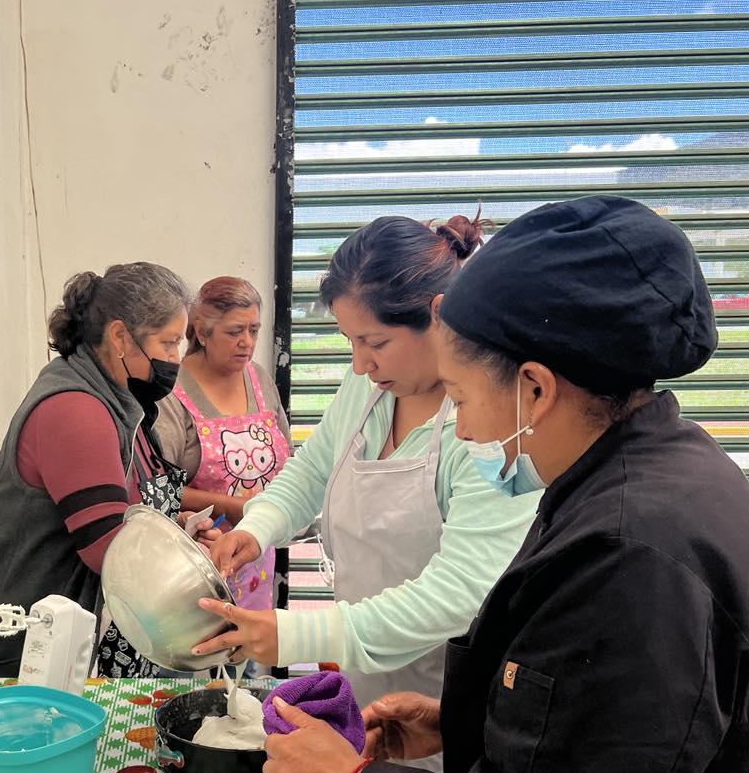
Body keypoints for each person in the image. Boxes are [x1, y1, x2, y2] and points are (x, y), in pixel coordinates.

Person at [263, 196, 749, 773]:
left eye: (459, 395)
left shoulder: (636, 552)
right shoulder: (639, 477)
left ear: (535, 387)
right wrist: (468, 718)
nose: (466, 430)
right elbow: (606, 740)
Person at [196, 215, 540, 709]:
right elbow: (314, 467)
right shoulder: (369, 388)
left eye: (376, 343)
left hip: (446, 694)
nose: (360, 363)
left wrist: (302, 634)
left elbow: (462, 590)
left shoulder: (489, 427)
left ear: (440, 317)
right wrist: (258, 528)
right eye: (350, 341)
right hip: (362, 665)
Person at [0, 263, 192, 678]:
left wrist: (183, 532)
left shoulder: (113, 396)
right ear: (120, 336)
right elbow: (111, 552)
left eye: (180, 344)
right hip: (30, 641)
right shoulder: (76, 410)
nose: (176, 359)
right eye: (168, 342)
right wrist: (190, 564)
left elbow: (122, 505)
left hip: (69, 627)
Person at [154, 277, 291, 611]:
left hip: (255, 560)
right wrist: (233, 506)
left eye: (254, 330)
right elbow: (158, 488)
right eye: (234, 332)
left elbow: (290, 460)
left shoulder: (258, 379)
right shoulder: (173, 393)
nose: (247, 342)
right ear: (202, 333)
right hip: (195, 561)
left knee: (250, 655)